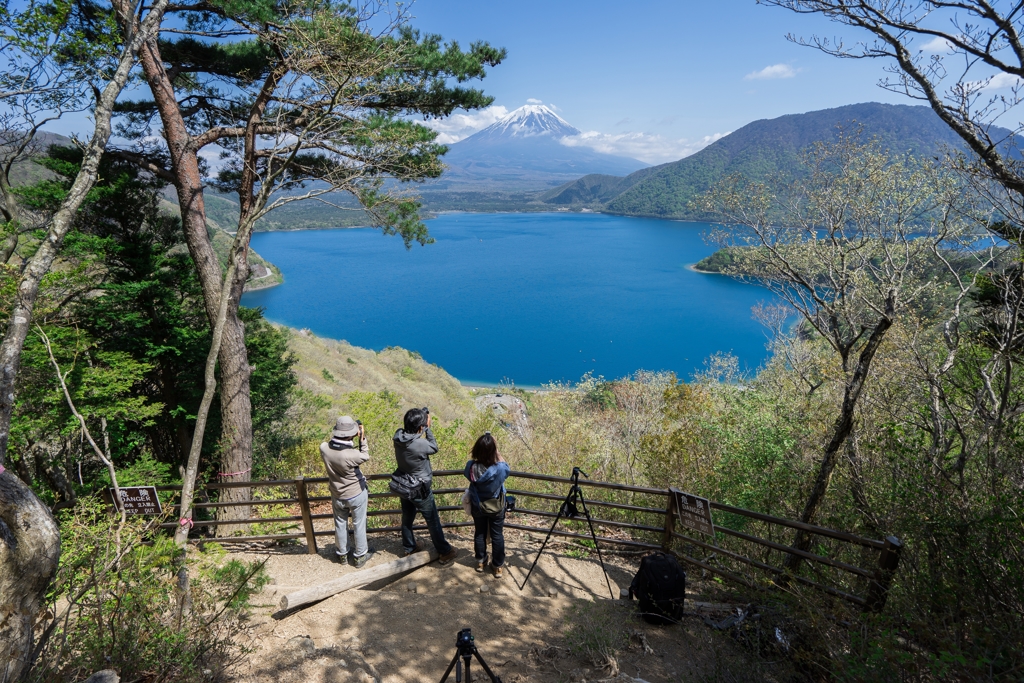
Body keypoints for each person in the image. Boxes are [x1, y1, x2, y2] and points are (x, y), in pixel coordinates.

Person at [393, 408, 459, 565]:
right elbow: (434, 447)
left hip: (404, 484)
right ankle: (445, 552)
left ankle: (409, 547)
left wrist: (420, 423)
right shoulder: (420, 444)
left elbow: (412, 436)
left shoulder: (398, 436)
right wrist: (428, 428)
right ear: (420, 427)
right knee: (432, 520)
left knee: (407, 517)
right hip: (419, 488)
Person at [320, 415, 373, 567]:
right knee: (359, 524)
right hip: (356, 493)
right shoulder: (352, 454)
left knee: (340, 524)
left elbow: (328, 443)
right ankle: (360, 556)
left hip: (337, 494)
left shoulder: (324, 448)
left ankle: (342, 554)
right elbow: (365, 455)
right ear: (351, 434)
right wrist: (362, 438)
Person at [464, 432, 510, 578]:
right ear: (493, 451)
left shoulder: (471, 467)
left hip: (478, 505)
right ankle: (497, 567)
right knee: (497, 535)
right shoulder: (500, 469)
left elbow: (468, 472)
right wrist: (496, 450)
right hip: (496, 506)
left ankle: (480, 561)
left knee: (480, 532)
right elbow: (505, 466)